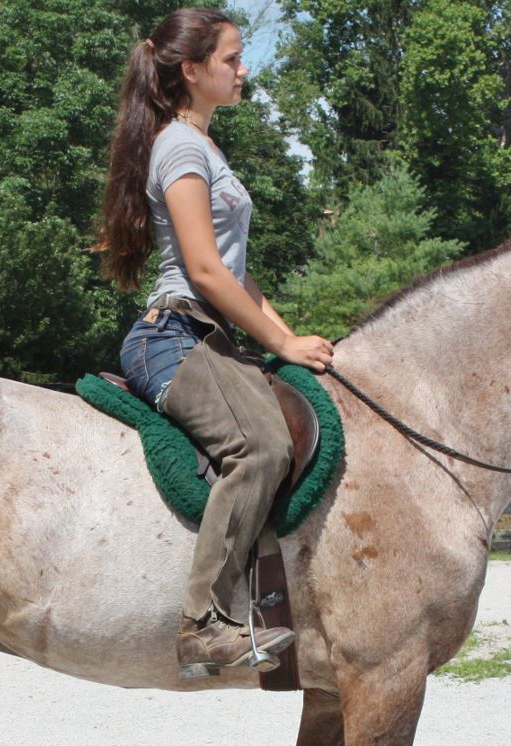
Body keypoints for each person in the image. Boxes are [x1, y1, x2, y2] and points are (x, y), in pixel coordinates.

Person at [94, 7, 334, 679]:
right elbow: (203, 270)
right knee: (259, 444)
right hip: (174, 335)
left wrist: (287, 339)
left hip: (209, 329)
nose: (243, 69)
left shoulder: (206, 148)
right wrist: (278, 339)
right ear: (192, 71)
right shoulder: (179, 146)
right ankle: (201, 622)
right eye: (231, 59)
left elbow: (236, 271)